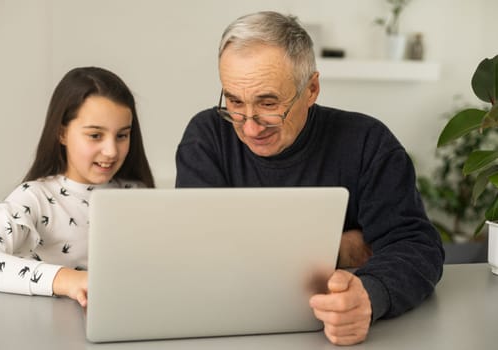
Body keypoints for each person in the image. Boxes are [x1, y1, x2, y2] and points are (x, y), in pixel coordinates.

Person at [175, 11, 444, 345]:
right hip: (223, 331)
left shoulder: (368, 143)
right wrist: (341, 249)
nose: (250, 127)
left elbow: (417, 246)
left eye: (268, 104)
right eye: (234, 102)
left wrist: (370, 295)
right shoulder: (208, 136)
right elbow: (199, 252)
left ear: (312, 89)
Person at [0, 66, 154, 307]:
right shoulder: (35, 198)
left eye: (122, 136)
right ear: (62, 133)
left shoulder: (139, 195)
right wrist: (68, 280)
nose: (111, 151)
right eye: (95, 135)